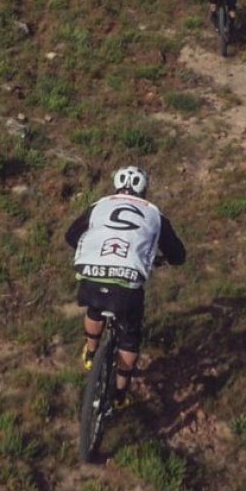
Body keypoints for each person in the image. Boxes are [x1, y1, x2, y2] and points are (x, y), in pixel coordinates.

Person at [65, 166, 186, 410]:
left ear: (116, 186)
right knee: (129, 338)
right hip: (127, 286)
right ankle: (120, 395)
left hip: (92, 273)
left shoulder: (100, 205)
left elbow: (71, 236)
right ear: (144, 189)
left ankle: (90, 353)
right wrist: (165, 259)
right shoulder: (154, 214)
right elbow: (178, 254)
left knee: (95, 308)